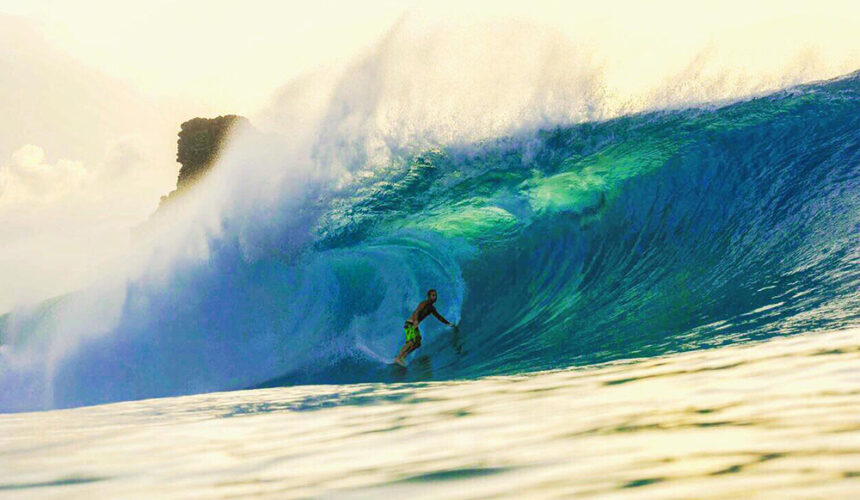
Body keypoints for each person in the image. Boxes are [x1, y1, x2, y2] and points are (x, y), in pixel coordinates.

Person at [393, 289, 454, 366]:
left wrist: (448, 323)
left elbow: (439, 317)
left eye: (436, 295)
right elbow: (417, 311)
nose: (435, 297)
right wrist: (416, 321)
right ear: (428, 296)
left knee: (417, 343)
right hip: (410, 323)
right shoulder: (424, 303)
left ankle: (403, 356)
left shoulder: (432, 308)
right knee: (410, 342)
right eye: (433, 295)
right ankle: (398, 357)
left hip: (414, 324)